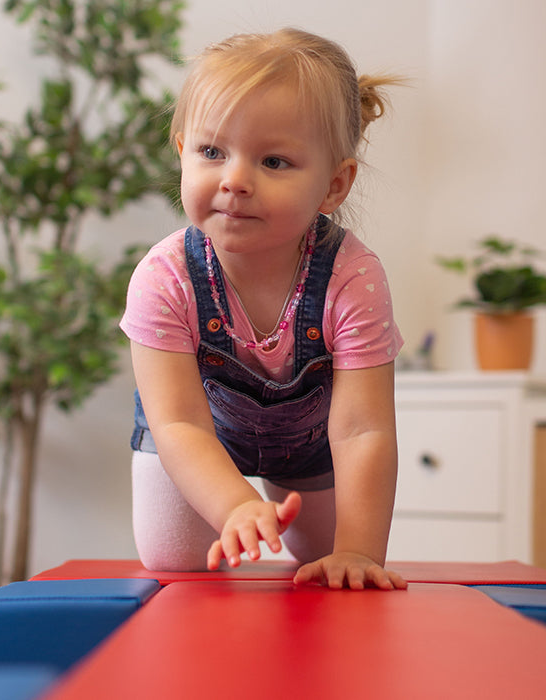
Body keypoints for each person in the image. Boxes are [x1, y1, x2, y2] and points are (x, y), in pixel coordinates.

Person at [120, 27, 407, 591]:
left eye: (273, 161)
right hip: (200, 434)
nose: (234, 181)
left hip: (308, 440)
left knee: (328, 568)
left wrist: (358, 550)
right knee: (174, 561)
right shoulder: (164, 277)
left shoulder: (353, 278)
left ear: (333, 184)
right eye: (211, 152)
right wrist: (233, 504)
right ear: (182, 151)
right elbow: (177, 420)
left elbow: (362, 429)